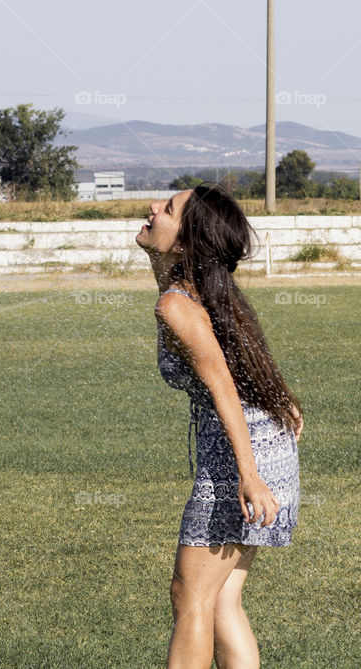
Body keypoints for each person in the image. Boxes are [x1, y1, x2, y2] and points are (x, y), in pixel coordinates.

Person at [136, 183, 303, 669]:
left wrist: (249, 477)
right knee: (221, 601)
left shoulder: (178, 305)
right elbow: (239, 356)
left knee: (189, 598)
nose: (153, 206)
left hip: (241, 458)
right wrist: (282, 400)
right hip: (261, 445)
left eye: (167, 209)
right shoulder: (199, 287)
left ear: (187, 244)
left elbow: (224, 388)